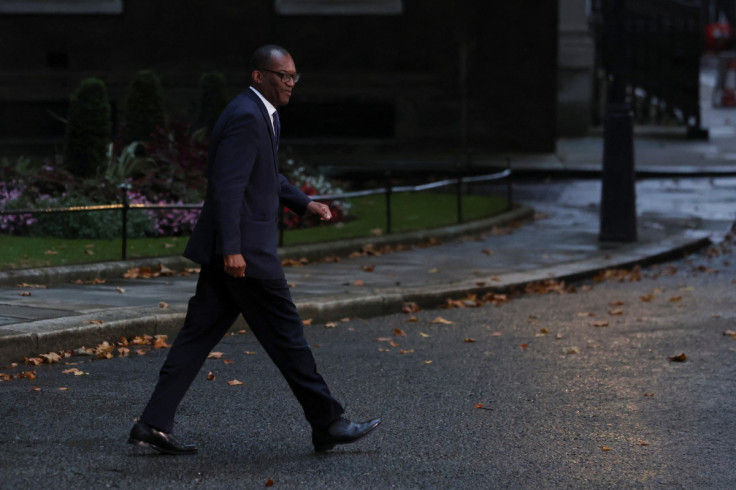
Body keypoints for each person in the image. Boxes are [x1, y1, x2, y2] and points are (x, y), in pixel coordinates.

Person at [127, 45, 380, 455]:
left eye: (294, 76)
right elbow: (227, 188)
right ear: (259, 76)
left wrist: (304, 202)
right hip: (245, 254)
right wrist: (232, 250)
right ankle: (328, 423)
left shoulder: (257, 112)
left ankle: (153, 423)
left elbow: (266, 177)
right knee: (288, 337)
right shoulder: (247, 116)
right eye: (283, 75)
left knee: (195, 339)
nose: (291, 83)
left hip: (236, 251)